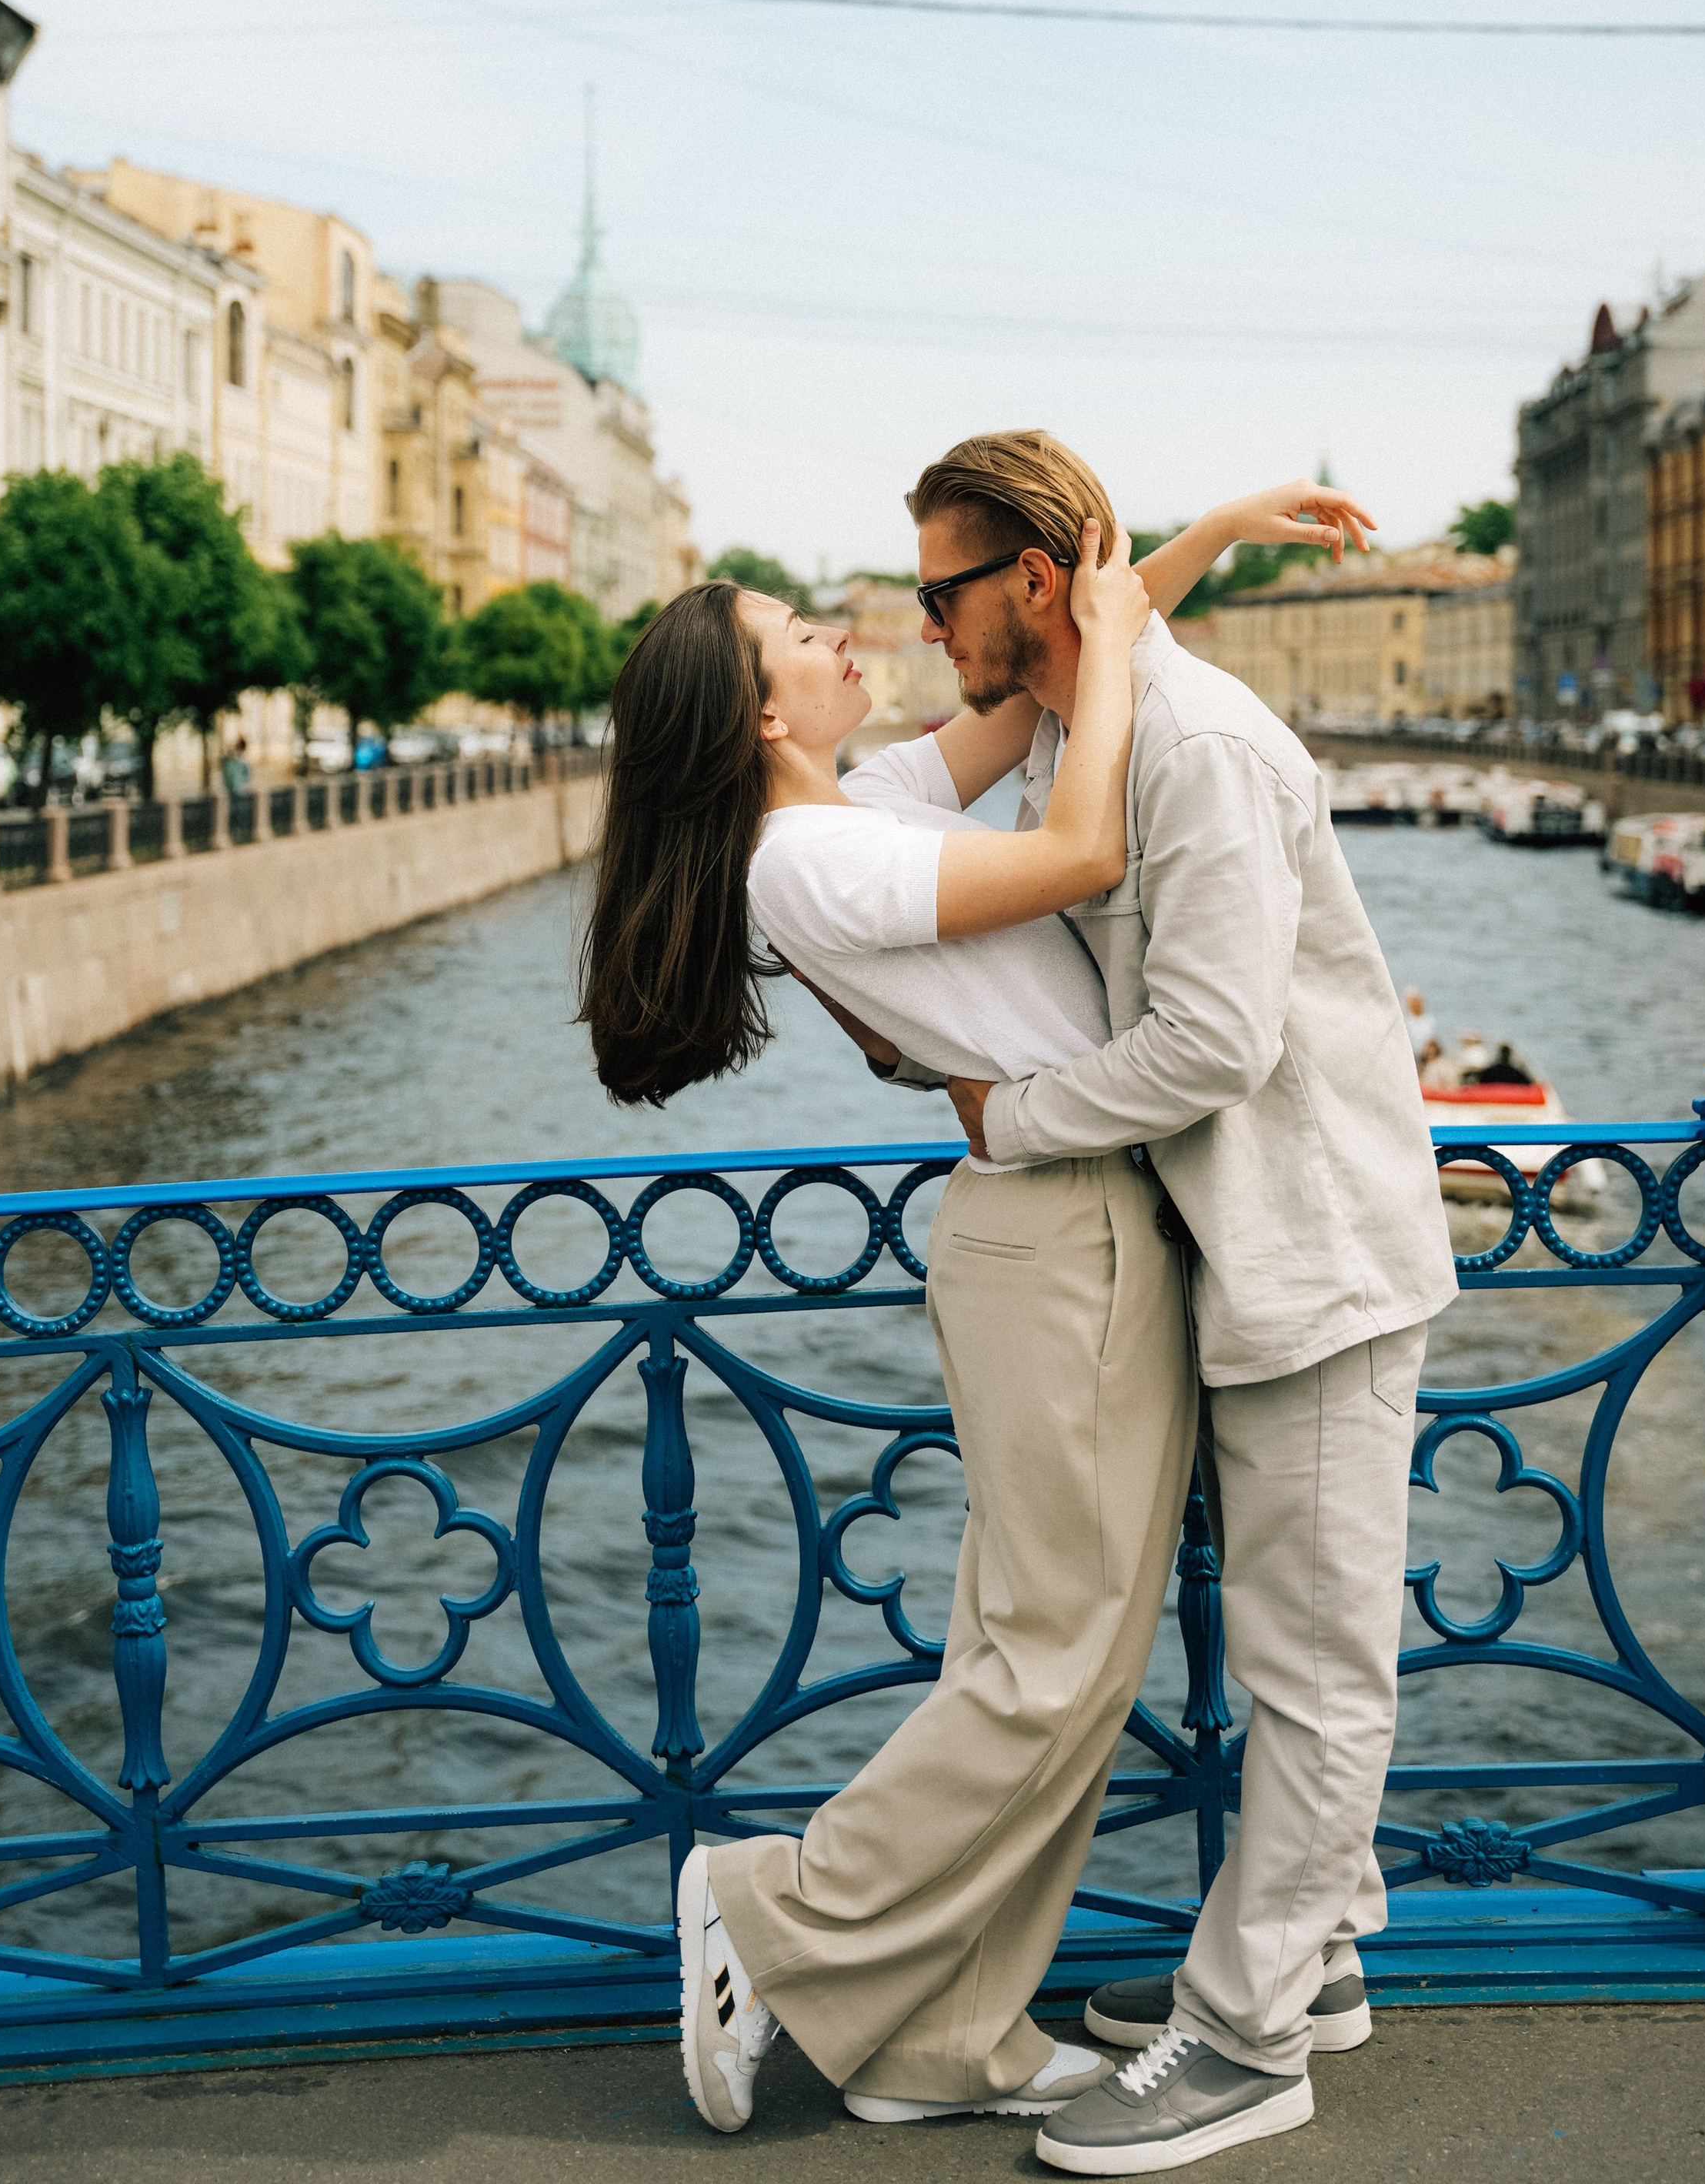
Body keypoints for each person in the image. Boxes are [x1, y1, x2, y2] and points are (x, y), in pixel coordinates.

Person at [578, 472, 1371, 2138]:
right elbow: (1081, 832)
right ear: (752, 709)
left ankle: (945, 2036)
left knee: (1046, 1654)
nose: (851, 626)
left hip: (1073, 1221)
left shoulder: (859, 800)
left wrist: (1194, 544)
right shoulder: (807, 862)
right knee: (1049, 1666)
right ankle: (772, 1908)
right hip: (1054, 1223)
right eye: (799, 632)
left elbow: (1045, 678)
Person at [902, 432, 1457, 2176]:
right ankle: (1315, 1961)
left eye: (944, 589)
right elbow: (1129, 592)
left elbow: (1212, 1041)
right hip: (1243, 1253)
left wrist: (1008, 1125)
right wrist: (1206, 528)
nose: (927, 622)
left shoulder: (1194, 750)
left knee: (1308, 1667)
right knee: (1288, 1644)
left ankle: (1244, 2042)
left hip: (1313, 1252)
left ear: (1036, 583)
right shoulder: (1100, 721)